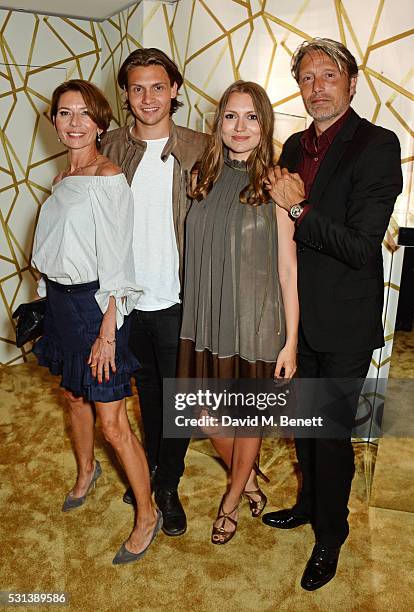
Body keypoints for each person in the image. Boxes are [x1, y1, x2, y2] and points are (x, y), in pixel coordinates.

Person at [262, 38, 403, 590]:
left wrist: (298, 205)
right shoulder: (294, 143)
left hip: (345, 320)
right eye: (306, 78)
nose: (316, 87)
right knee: (302, 426)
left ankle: (331, 532)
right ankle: (308, 504)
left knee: (331, 433)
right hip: (296, 319)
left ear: (351, 82)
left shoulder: (377, 144)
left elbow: (361, 247)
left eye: (328, 75)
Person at [32, 79, 162, 565]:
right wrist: (46, 301)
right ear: (55, 121)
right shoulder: (62, 181)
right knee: (72, 394)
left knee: (113, 421)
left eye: (85, 114)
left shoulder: (108, 178)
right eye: (65, 113)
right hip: (61, 306)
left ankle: (147, 515)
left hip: (97, 308)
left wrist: (108, 332)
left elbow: (118, 264)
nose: (74, 123)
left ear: (101, 123)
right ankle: (87, 471)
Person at [177, 80, 299, 544]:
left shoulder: (278, 184)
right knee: (202, 411)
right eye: (231, 116)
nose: (240, 126)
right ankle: (245, 476)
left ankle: (230, 501)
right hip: (206, 317)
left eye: (251, 117)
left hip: (256, 320)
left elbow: (289, 271)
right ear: (219, 122)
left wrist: (289, 341)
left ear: (264, 124)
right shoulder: (201, 176)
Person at [100, 49, 209, 536]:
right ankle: (151, 473)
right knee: (147, 393)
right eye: (137, 88)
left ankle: (168, 483)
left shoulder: (203, 146)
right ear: (125, 94)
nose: (148, 97)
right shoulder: (111, 145)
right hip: (126, 300)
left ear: (176, 90)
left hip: (177, 298)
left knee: (179, 399)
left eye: (158, 87)